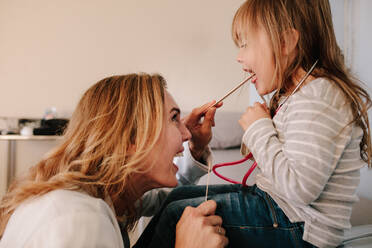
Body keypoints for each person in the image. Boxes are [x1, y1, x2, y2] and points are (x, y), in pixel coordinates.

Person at [133, 1, 372, 248]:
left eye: (245, 44)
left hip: (301, 229)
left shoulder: (320, 96)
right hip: (279, 209)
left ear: (285, 43)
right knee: (175, 199)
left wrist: (259, 129)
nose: (239, 57)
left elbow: (300, 189)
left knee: (178, 215)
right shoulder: (300, 95)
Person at [0, 73, 228, 248]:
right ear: (130, 138)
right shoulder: (80, 220)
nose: (186, 133)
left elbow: (161, 196)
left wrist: (195, 149)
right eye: (174, 119)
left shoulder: (103, 197)